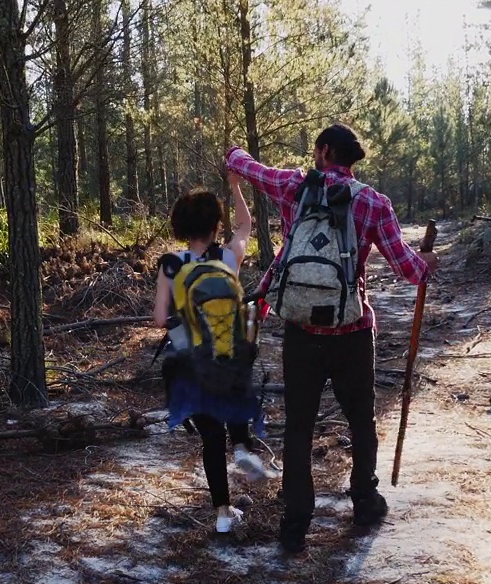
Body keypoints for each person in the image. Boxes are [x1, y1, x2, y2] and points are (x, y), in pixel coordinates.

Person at [225, 123, 440, 553]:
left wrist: (233, 155)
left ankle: (294, 525)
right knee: (361, 421)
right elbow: (408, 269)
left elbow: (247, 167)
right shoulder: (374, 203)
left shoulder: (293, 186)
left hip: (301, 331)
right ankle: (364, 500)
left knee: (300, 427)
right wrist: (427, 260)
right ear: (351, 161)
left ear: (324, 152)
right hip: (352, 333)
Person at [152, 174, 274, 534]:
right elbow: (246, 225)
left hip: (190, 360)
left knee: (209, 437)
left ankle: (223, 514)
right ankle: (242, 447)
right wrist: (236, 188)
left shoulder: (171, 263)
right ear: (216, 224)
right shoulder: (228, 256)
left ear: (181, 225)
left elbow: (160, 318)